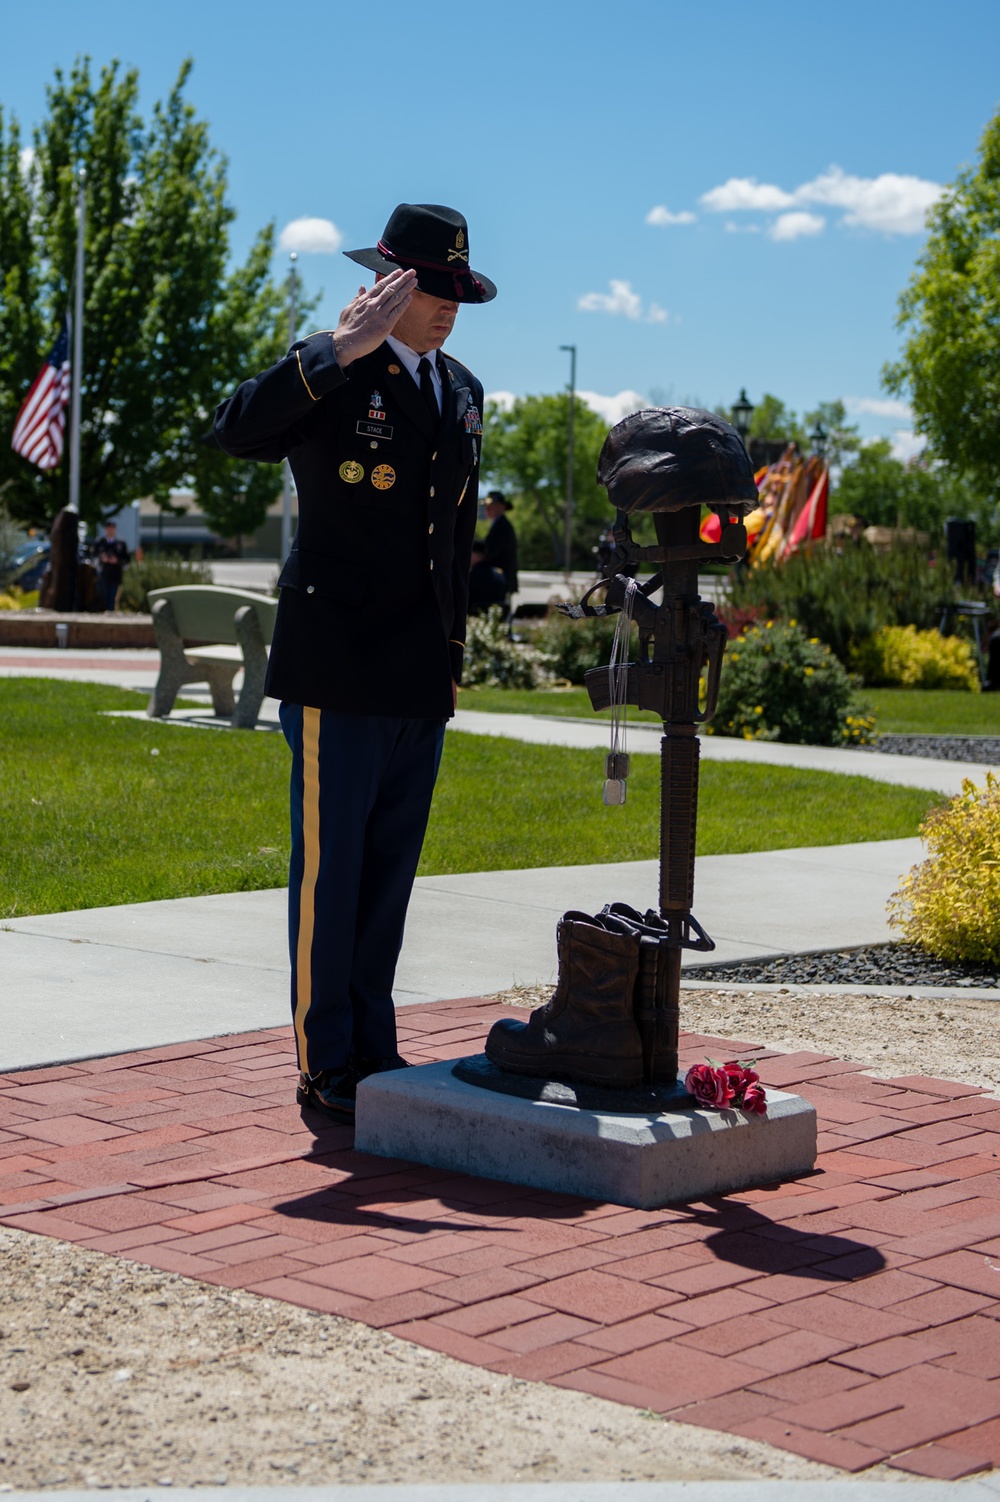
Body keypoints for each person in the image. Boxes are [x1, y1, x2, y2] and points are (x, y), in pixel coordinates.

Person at [214, 203, 495, 1122]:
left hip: (419, 669)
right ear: (388, 286)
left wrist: (452, 656)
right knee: (331, 876)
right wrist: (334, 349)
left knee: (389, 872)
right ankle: (324, 1056)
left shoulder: (462, 390)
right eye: (431, 289)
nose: (448, 307)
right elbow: (234, 430)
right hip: (337, 662)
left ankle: (375, 1043)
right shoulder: (331, 368)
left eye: (458, 290)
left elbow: (452, 538)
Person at [482, 490, 518, 599]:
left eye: (490, 506)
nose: (487, 510)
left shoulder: (502, 526)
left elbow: (490, 552)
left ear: (502, 507)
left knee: (500, 612)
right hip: (499, 581)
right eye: (486, 507)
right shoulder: (499, 525)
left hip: (500, 581)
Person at [94, 520, 129, 611]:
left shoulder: (120, 543)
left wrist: (117, 560)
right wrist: (102, 558)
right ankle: (103, 611)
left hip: (115, 573)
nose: (110, 530)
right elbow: (94, 555)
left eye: (112, 528)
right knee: (103, 593)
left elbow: (126, 559)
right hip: (103, 572)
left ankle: (111, 611)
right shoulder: (100, 542)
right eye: (108, 528)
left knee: (113, 595)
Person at [467, 538, 507, 615]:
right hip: (496, 615)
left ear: (476, 555)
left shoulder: (472, 575)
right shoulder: (499, 574)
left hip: (476, 616)